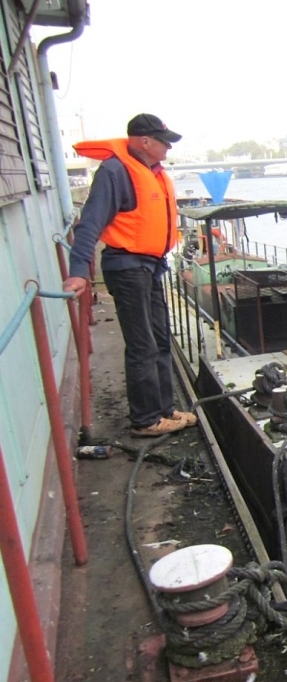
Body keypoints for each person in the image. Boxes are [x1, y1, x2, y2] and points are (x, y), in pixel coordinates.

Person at [62, 113, 198, 438]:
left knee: (161, 339)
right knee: (142, 344)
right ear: (144, 141)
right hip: (127, 267)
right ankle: (145, 419)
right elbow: (90, 223)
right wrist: (79, 270)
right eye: (163, 141)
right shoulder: (115, 171)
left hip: (151, 266)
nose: (168, 147)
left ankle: (165, 410)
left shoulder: (154, 172)